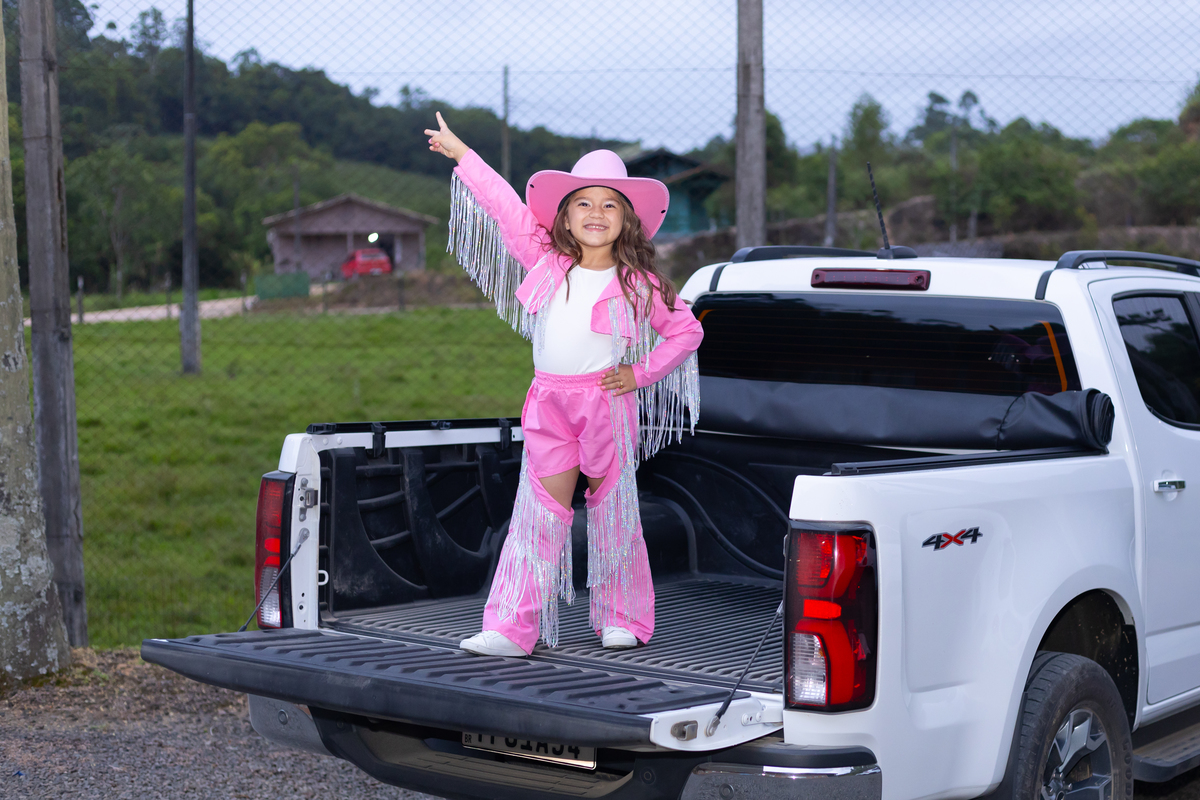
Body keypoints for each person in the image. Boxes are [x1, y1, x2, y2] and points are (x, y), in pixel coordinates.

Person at [426, 112, 703, 657]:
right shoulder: (545, 261)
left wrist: (640, 373)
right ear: (566, 216)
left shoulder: (640, 283)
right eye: (584, 203)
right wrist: (463, 155)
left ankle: (622, 616)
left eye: (610, 205)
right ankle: (511, 626)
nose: (596, 214)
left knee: (614, 509)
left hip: (607, 404)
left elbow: (686, 331)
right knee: (538, 514)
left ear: (627, 219)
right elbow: (505, 206)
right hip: (548, 403)